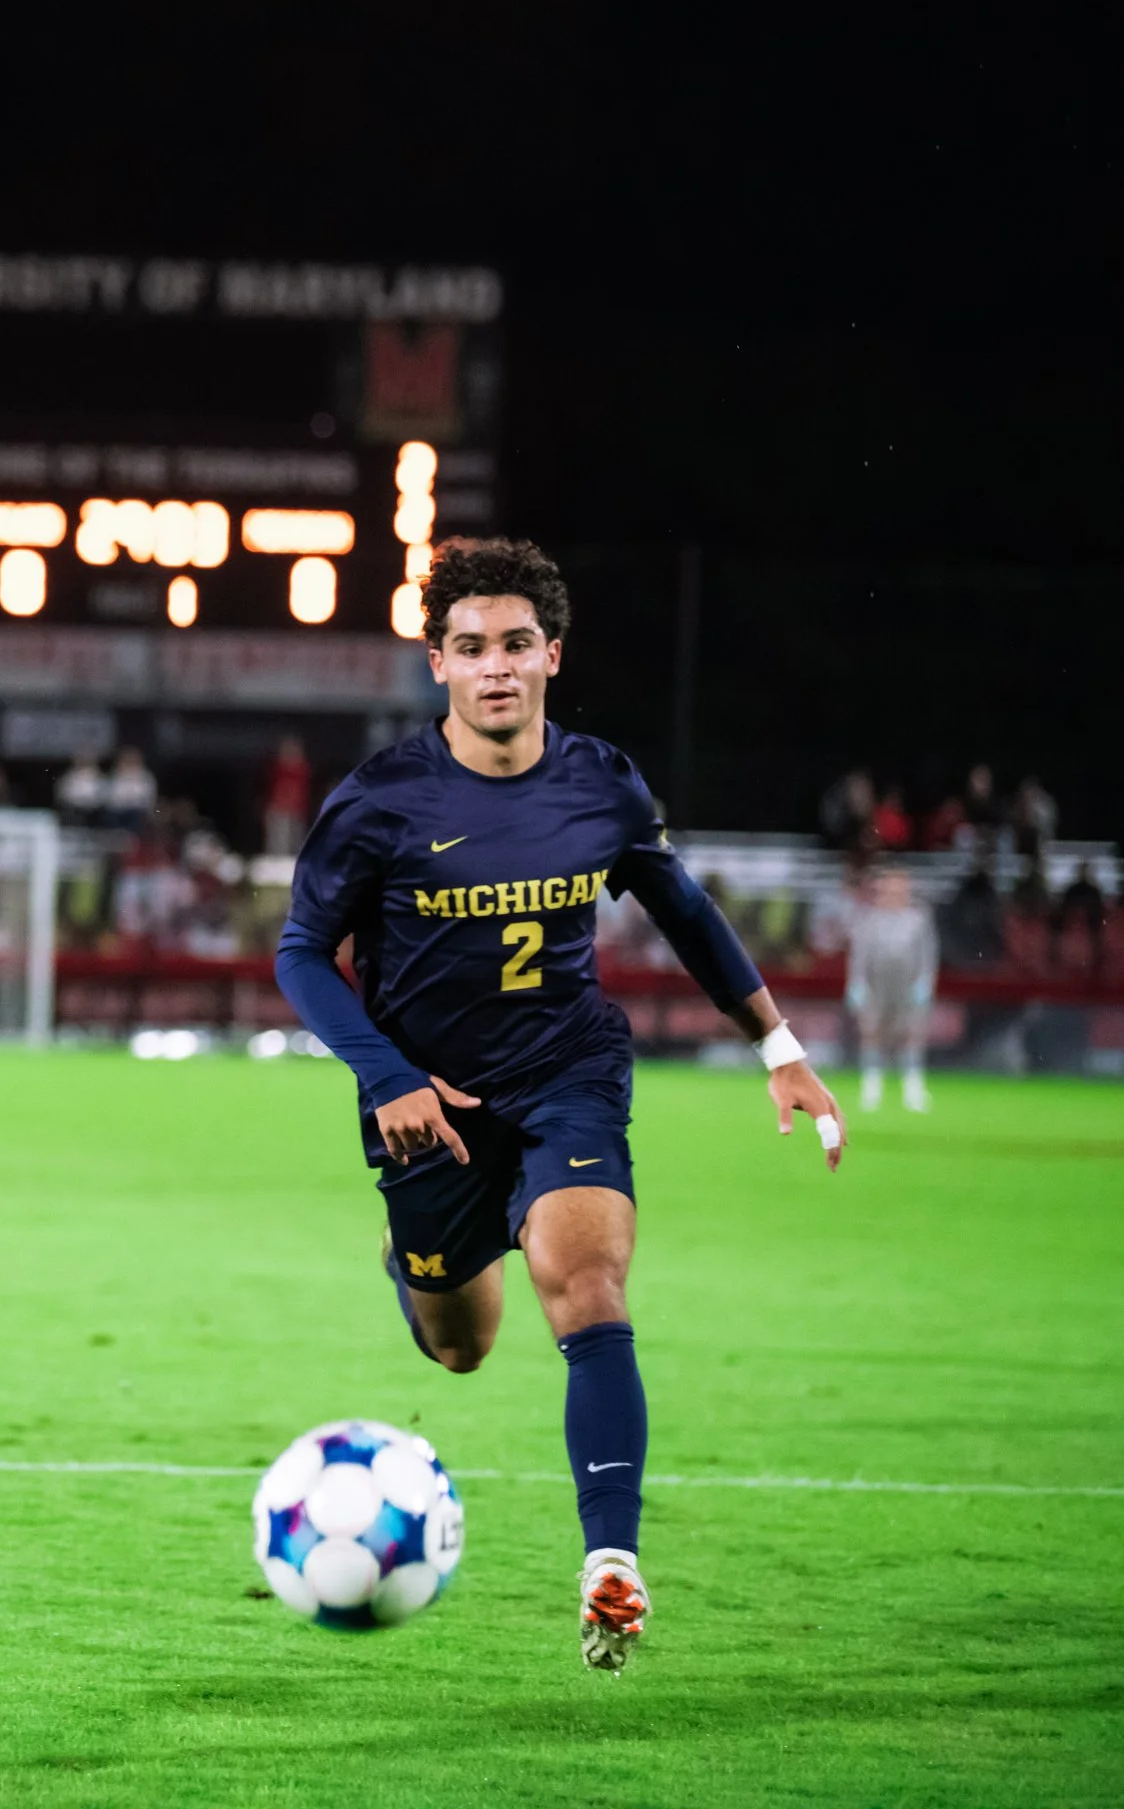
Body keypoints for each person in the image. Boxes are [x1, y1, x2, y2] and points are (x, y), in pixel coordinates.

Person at [274, 537, 844, 1675]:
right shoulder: (379, 799)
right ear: (436, 661)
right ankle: (416, 1249)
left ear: (551, 656)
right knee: (461, 1349)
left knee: (587, 1283)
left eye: (516, 645)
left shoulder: (601, 782)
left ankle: (610, 1563)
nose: (496, 667)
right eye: (471, 647)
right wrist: (386, 1076)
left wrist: (777, 1043)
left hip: (568, 1073)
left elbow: (681, 909)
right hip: (425, 1101)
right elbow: (299, 952)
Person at [846, 868, 937, 1112]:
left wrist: (924, 982)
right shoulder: (869, 918)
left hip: (907, 985)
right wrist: (856, 983)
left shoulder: (918, 918)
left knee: (911, 1035)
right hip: (877, 986)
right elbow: (859, 955)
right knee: (873, 1034)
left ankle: (913, 1087)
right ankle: (872, 1085)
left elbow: (928, 955)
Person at [263, 735, 313, 856]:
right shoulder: (276, 768)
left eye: (293, 750)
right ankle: (276, 861)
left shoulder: (303, 769)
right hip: (278, 808)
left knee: (295, 838)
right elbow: (268, 787)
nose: (290, 754)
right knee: (278, 838)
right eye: (287, 750)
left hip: (296, 808)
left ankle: (294, 861)